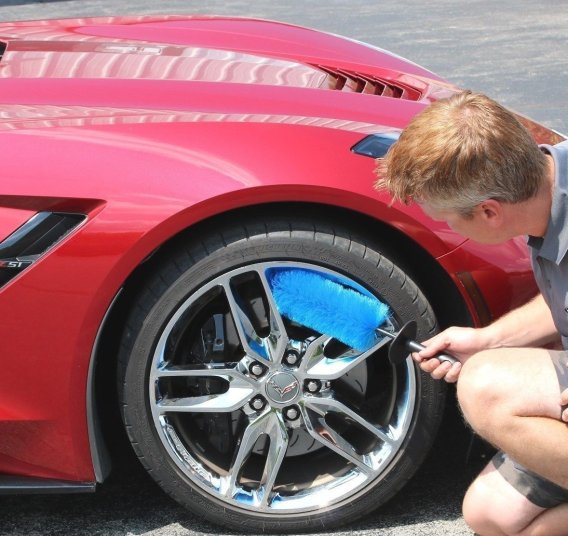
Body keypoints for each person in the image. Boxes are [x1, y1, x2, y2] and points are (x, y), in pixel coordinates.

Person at [375, 90, 568, 536]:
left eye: (447, 221)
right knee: (492, 515)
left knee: (485, 387)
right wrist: (487, 340)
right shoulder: (545, 183)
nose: (447, 230)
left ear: (488, 212)